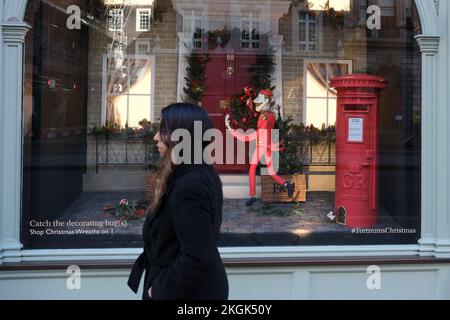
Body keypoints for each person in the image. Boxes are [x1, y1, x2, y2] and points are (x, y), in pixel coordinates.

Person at [128, 103, 229, 300]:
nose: (156, 137)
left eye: (163, 131)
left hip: (187, 293)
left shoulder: (190, 185)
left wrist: (156, 291)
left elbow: (198, 255)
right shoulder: (193, 173)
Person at [225, 89, 294, 207]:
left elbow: (254, 135)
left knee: (252, 169)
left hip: (261, 146)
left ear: (264, 102)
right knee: (271, 172)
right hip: (268, 146)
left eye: (259, 102)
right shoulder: (271, 115)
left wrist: (233, 131)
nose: (257, 104)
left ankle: (252, 196)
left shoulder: (263, 117)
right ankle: (286, 184)